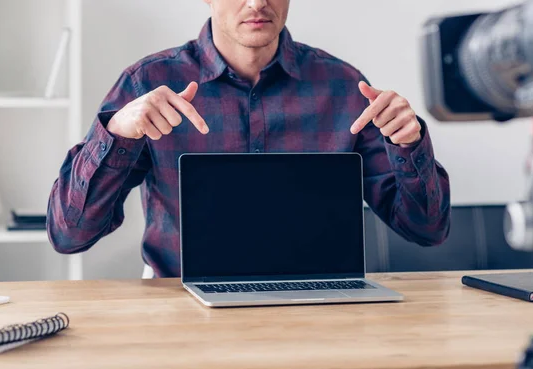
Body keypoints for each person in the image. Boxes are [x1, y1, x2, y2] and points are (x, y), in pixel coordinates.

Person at [47, 0, 451, 278]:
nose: (257, 1)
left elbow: (427, 230)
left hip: (321, 309)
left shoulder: (343, 86)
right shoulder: (148, 83)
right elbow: (69, 234)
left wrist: (408, 144)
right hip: (178, 304)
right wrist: (117, 134)